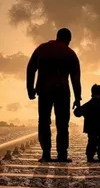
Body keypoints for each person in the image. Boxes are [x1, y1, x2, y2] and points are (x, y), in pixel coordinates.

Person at [26, 28, 82, 163]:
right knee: (62, 124)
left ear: (57, 36)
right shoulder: (70, 53)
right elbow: (75, 78)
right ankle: (62, 155)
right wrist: (77, 98)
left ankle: (46, 154)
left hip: (44, 90)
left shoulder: (41, 49)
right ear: (68, 39)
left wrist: (30, 89)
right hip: (62, 91)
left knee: (44, 122)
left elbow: (31, 69)